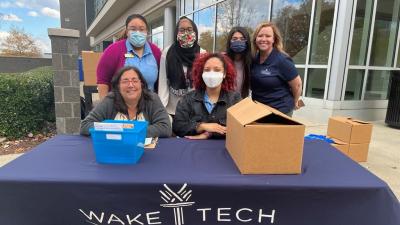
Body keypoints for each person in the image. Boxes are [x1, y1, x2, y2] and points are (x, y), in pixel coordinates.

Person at [81, 66, 172, 138]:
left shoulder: (152, 99)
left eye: (135, 81)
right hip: (116, 152)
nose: (131, 85)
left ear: (141, 84)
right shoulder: (109, 100)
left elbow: (165, 128)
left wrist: (131, 131)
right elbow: (85, 126)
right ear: (118, 86)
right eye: (125, 81)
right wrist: (116, 130)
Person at [173, 53, 241, 139]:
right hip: (193, 148)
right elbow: (178, 126)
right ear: (201, 73)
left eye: (217, 70)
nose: (211, 74)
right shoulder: (188, 99)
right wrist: (201, 126)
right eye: (207, 70)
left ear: (224, 74)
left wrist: (209, 134)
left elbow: (242, 128)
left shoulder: (235, 99)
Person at [96, 14, 161, 99]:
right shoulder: (113, 50)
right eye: (133, 29)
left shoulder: (155, 51)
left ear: (147, 32)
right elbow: (103, 80)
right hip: (120, 107)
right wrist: (105, 107)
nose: (138, 33)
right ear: (127, 32)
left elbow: (161, 81)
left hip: (149, 106)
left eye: (141, 29)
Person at [251, 22, 302, 116]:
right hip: (259, 110)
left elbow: (297, 85)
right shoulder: (254, 59)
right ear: (255, 39)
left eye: (268, 36)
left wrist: (295, 101)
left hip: (280, 111)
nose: (263, 39)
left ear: (274, 39)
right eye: (260, 36)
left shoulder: (282, 60)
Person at [158, 16, 201, 116]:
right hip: (172, 110)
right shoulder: (167, 52)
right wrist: (162, 109)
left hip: (194, 110)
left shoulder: (202, 53)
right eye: (182, 30)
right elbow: (163, 82)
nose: (186, 33)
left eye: (189, 30)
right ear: (176, 33)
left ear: (195, 32)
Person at [225, 26, 252, 98]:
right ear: (229, 41)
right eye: (235, 39)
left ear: (247, 42)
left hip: (242, 103)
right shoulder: (223, 60)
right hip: (225, 102)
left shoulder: (251, 62)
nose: (238, 41)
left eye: (242, 39)